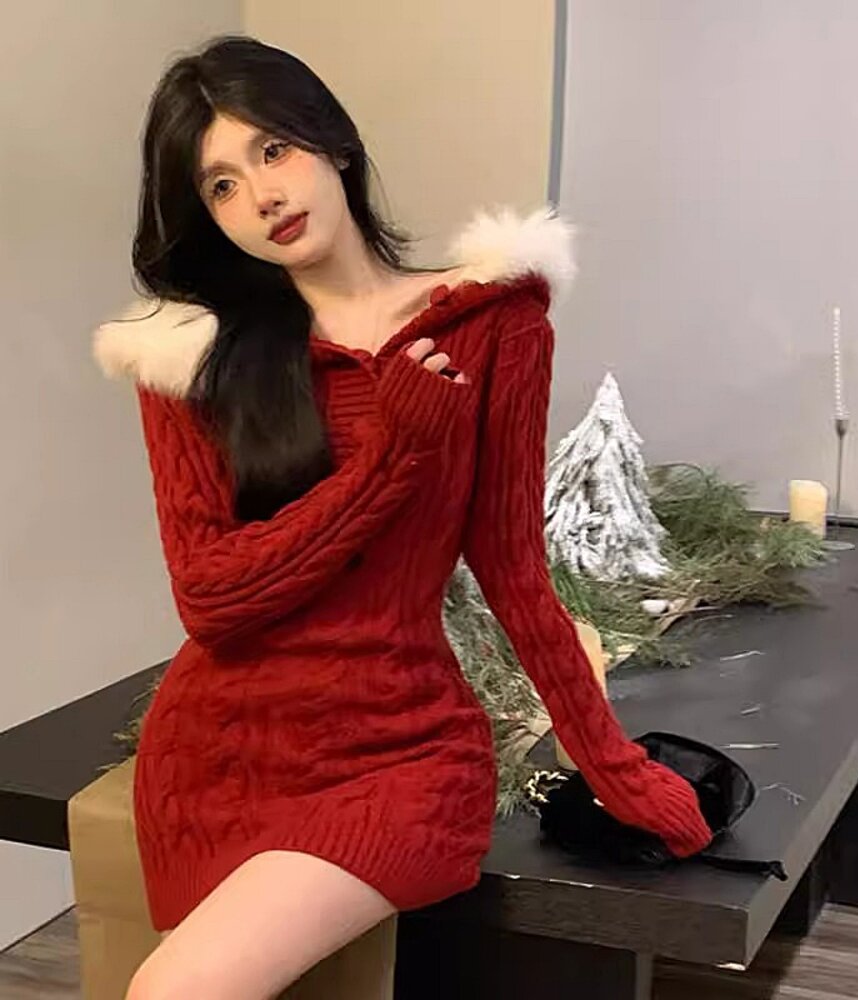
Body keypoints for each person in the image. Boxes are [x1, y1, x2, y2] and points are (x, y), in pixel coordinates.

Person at [93, 34, 712, 1000]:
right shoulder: (191, 359)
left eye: (272, 149)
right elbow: (210, 598)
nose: (262, 196)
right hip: (220, 752)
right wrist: (389, 464)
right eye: (220, 186)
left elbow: (514, 570)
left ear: (332, 142)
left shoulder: (491, 325)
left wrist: (614, 765)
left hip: (397, 749)